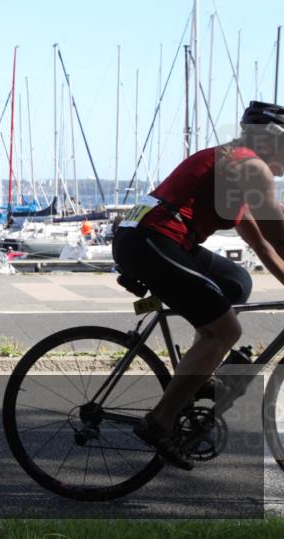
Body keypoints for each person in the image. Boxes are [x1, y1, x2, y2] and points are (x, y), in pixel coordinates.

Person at [112, 101, 284, 470]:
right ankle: (158, 422)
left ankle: (197, 374)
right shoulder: (251, 166)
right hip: (151, 240)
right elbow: (279, 234)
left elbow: (264, 246)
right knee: (225, 330)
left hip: (151, 238)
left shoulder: (234, 163)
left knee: (236, 283)